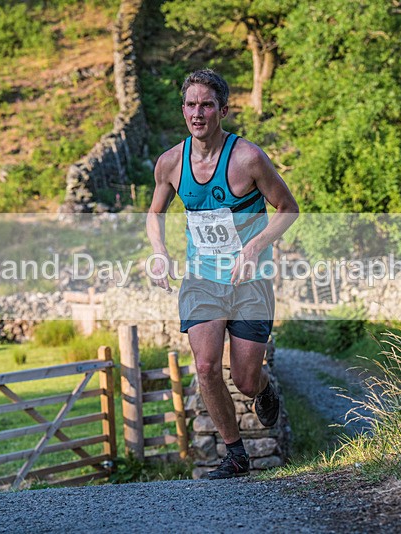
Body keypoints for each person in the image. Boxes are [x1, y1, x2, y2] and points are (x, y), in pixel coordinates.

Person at [146, 69, 299, 479]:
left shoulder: (248, 158)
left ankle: (263, 390)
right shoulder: (170, 163)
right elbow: (154, 213)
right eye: (191, 105)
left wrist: (254, 245)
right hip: (202, 279)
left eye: (207, 105)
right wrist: (159, 251)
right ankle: (235, 453)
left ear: (223, 111)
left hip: (250, 279)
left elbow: (289, 209)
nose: (198, 113)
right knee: (206, 366)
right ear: (183, 111)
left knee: (245, 380)